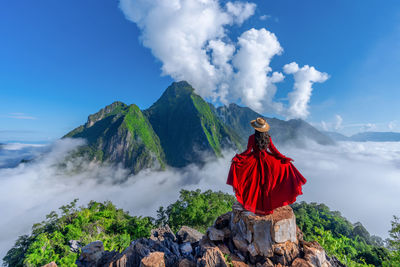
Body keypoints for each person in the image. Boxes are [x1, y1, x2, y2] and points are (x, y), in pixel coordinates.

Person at [226, 117, 307, 215]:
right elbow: (274, 150)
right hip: (267, 161)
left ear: (256, 128)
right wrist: (284, 158)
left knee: (254, 184)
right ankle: (266, 205)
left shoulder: (252, 137)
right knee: (267, 184)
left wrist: (238, 158)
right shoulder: (268, 137)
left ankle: (254, 204)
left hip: (254, 161)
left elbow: (248, 151)